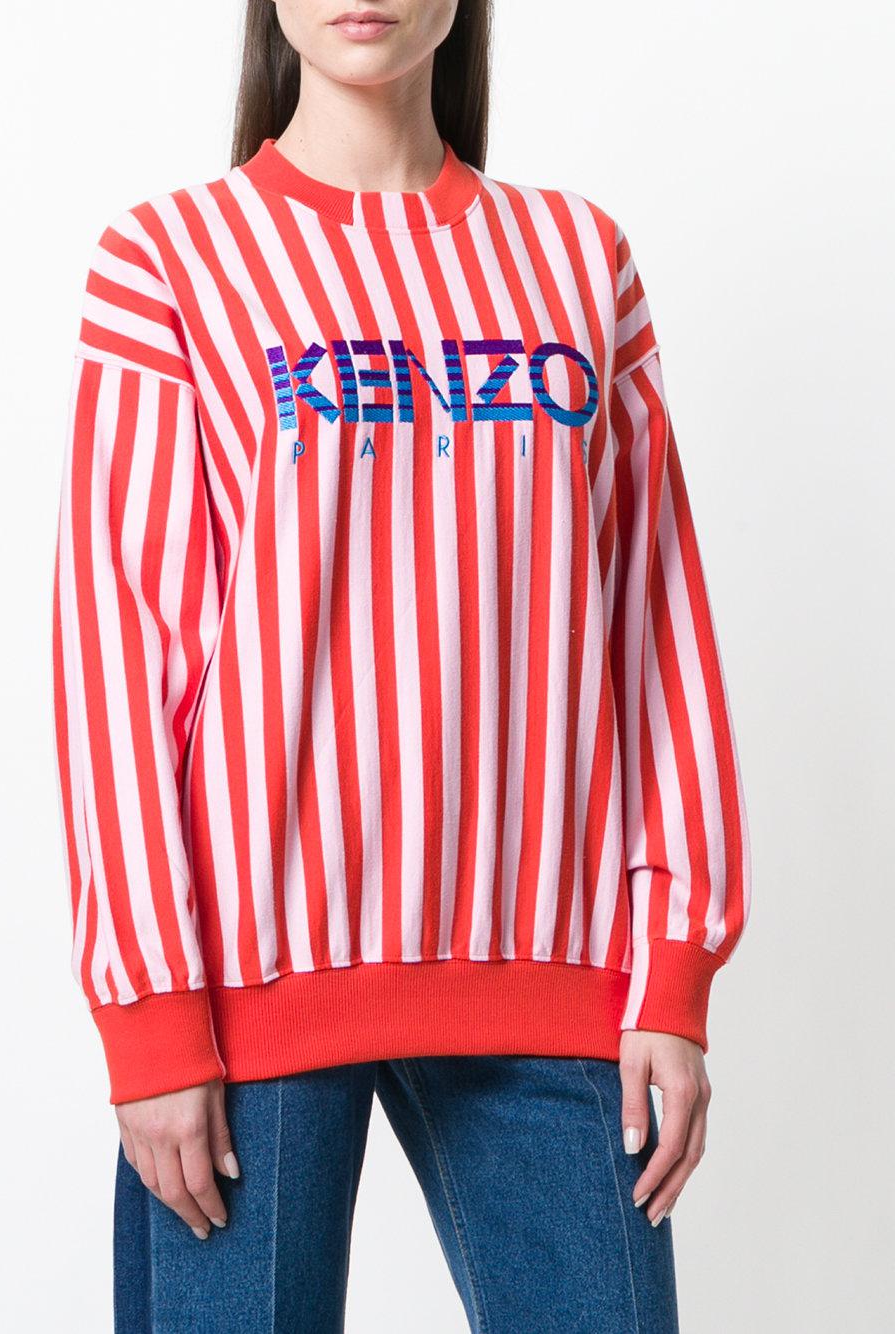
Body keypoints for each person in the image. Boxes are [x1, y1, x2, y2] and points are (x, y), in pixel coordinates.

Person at [52, 2, 753, 1329]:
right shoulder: (168, 262)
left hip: (554, 970)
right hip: (246, 986)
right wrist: (149, 1014)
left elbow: (656, 622)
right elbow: (121, 654)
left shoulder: (578, 259)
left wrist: (675, 966)